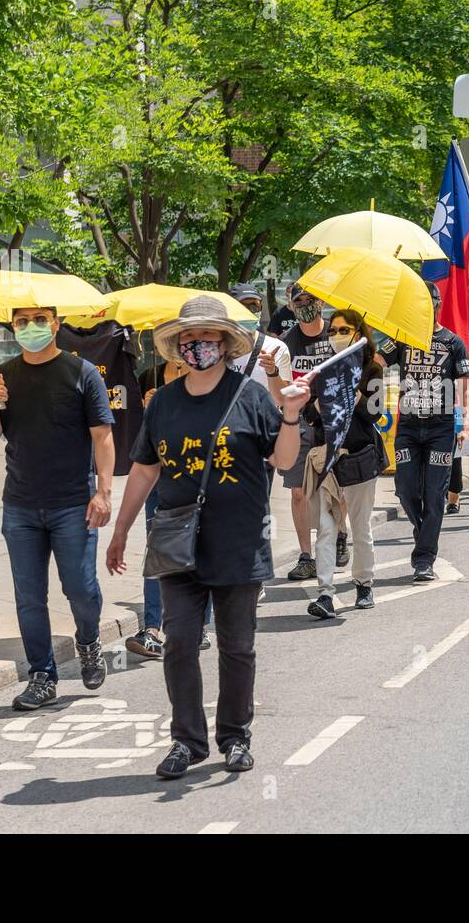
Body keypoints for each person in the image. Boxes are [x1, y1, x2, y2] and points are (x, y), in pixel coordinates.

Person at [107, 296, 310, 777]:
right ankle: (187, 741)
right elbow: (143, 468)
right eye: (189, 339)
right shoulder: (165, 403)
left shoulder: (252, 396)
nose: (197, 346)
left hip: (239, 543)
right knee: (178, 643)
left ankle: (235, 736)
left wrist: (293, 414)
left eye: (207, 338)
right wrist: (120, 529)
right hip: (179, 544)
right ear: (179, 347)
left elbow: (283, 460)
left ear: (224, 344)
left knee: (237, 646)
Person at [0, 305, 116, 711]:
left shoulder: (82, 372)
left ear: (56, 324)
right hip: (20, 505)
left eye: (39, 320)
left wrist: (103, 492)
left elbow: (102, 436)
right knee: (29, 596)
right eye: (21, 322)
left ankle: (88, 640)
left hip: (73, 503)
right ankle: (42, 674)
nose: (30, 328)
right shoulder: (3, 375)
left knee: (80, 588)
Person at [380, 283, 469, 579]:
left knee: (434, 494)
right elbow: (377, 362)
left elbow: (465, 384)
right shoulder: (401, 338)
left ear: (437, 306)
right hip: (407, 426)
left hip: (440, 428)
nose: (426, 311)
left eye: (430, 305)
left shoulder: (452, 342)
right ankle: (424, 535)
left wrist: (466, 424)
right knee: (406, 490)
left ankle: (424, 558)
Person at [307, 310, 385, 617]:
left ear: (359, 333)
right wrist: (319, 400)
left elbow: (376, 413)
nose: (337, 334)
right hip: (325, 457)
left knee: (360, 526)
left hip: (359, 456)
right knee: (326, 529)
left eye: (344, 329)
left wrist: (353, 397)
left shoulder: (372, 369)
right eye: (332, 330)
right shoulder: (322, 369)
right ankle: (325, 593)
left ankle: (364, 583)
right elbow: (309, 415)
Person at [278, 284, 344, 580]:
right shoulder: (285, 344)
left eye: (310, 299)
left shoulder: (337, 334)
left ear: (321, 301)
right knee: (297, 492)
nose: (305, 304)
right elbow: (278, 387)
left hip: (333, 421)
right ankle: (306, 556)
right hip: (299, 423)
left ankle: (340, 536)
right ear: (290, 306)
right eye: (299, 300)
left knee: (337, 487)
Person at [127, 357, 190, 660]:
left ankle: (198, 624)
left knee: (196, 550)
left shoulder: (204, 374)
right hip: (157, 473)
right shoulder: (149, 374)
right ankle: (152, 629)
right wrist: (149, 404)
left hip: (194, 477)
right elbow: (142, 424)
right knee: (157, 551)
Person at [231, 283, 292, 404]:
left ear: (261, 307)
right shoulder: (216, 349)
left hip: (263, 421)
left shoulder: (276, 348)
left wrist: (272, 371)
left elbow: (282, 401)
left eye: (254, 305)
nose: (249, 311)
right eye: (242, 306)